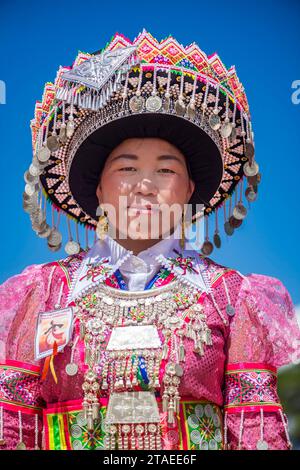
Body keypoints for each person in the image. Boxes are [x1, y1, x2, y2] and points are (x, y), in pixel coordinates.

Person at [0, 29, 299, 451]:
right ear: (98, 189)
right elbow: (11, 426)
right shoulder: (44, 293)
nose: (144, 185)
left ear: (189, 189)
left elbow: (257, 433)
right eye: (125, 169)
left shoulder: (231, 298)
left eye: (165, 170)